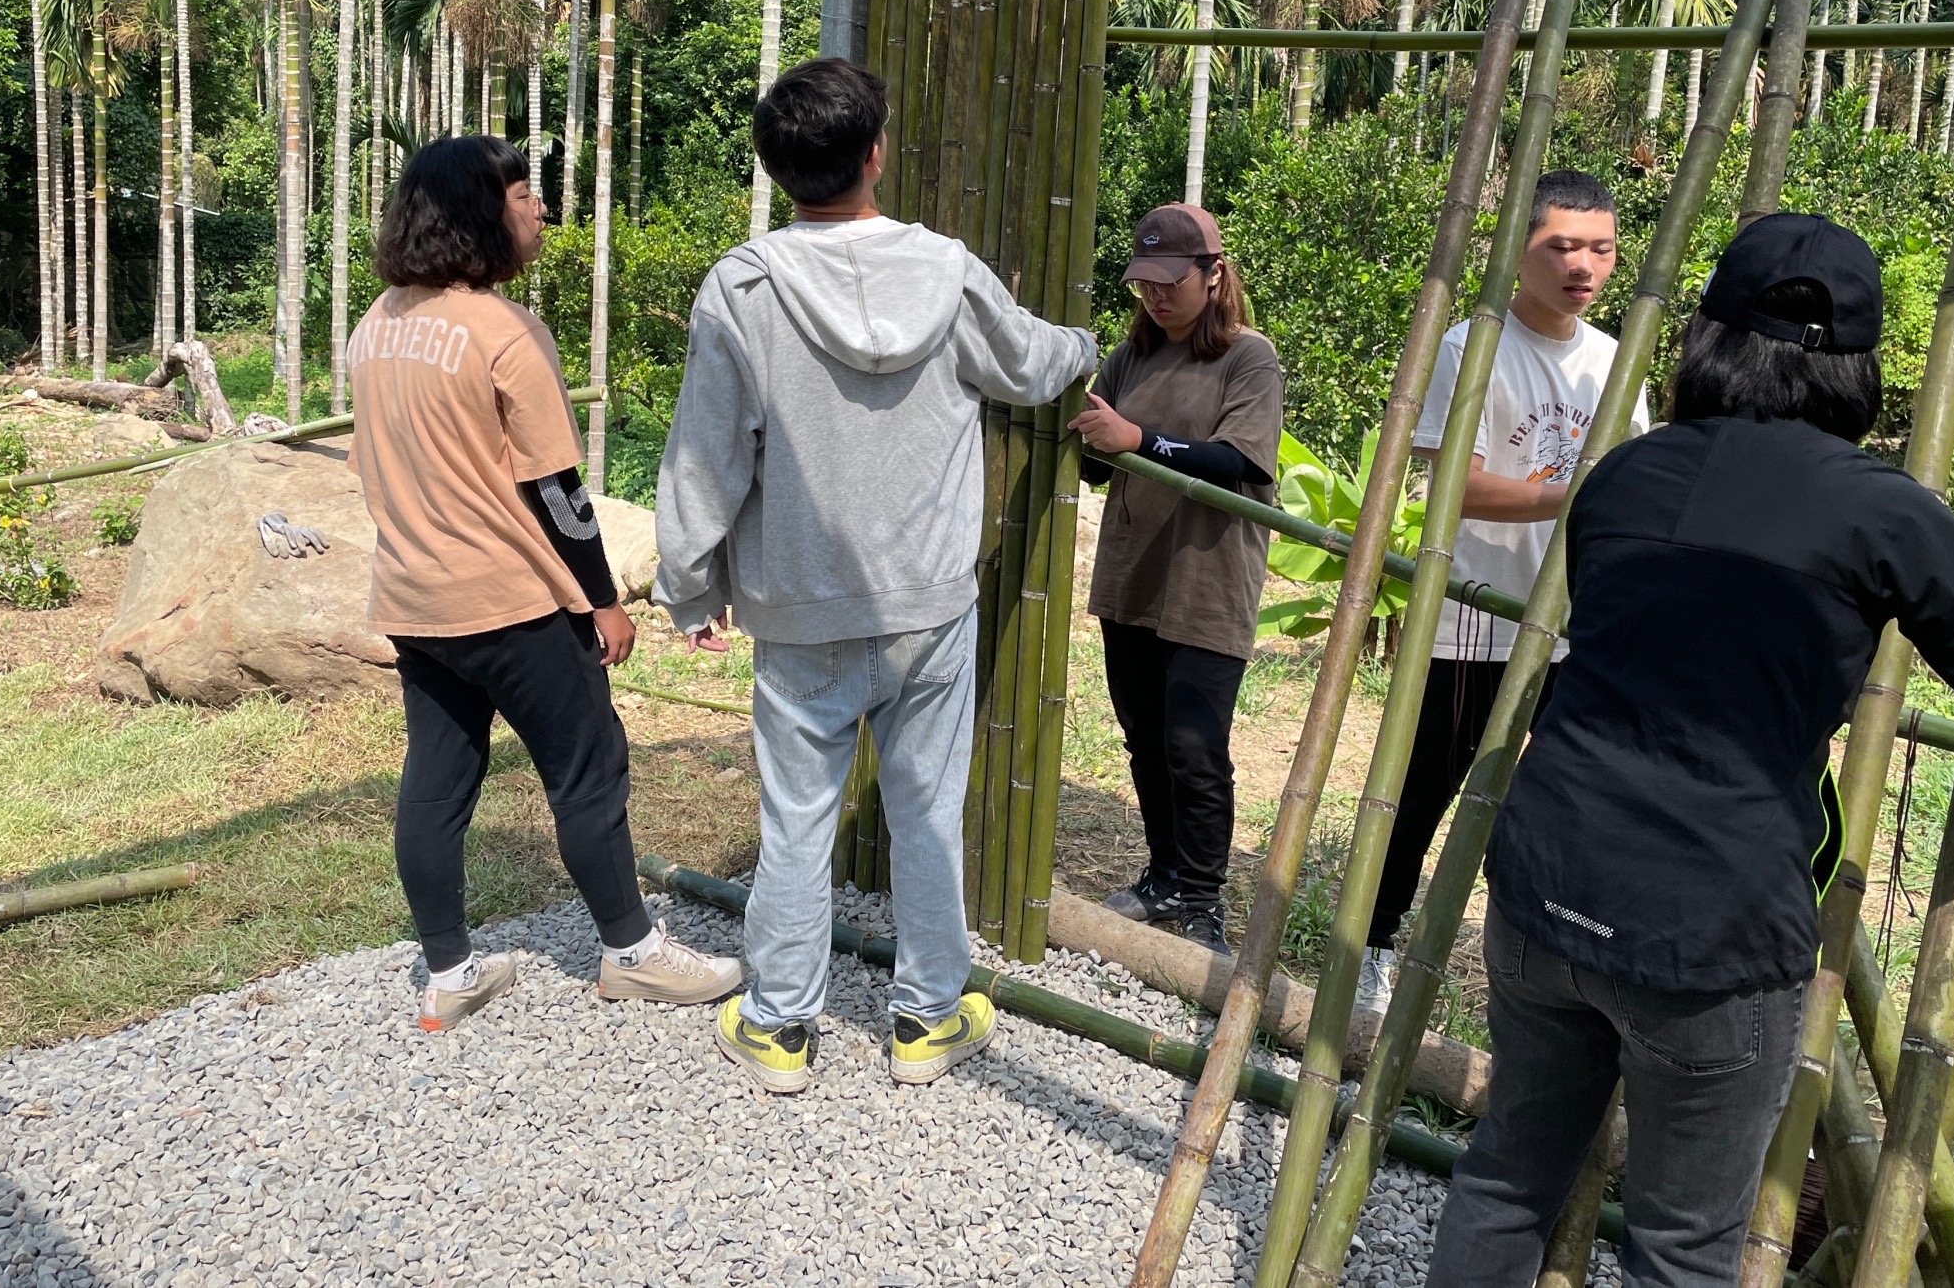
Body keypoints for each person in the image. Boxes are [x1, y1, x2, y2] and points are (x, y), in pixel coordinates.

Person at [1423, 212, 1954, 1288]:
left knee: (1505, 1175)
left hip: (1545, 882)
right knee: (1684, 1246)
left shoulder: (1627, 477)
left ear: (1705, 338)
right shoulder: (1884, 511)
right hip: (1712, 929)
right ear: (1863, 366)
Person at [654, 58, 1098, 1095]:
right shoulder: (944, 271)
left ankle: (777, 1029)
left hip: (798, 605)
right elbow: (1034, 365)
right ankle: (927, 1021)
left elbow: (704, 453)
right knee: (928, 810)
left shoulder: (745, 286)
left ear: (778, 171)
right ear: (875, 155)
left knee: (797, 816)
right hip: (930, 602)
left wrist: (687, 583)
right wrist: (1088, 345)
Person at [350, 136, 741, 1033]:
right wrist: (604, 598)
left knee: (437, 778)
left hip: (414, 600)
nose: (539, 210)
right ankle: (633, 952)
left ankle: (447, 969)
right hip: (513, 601)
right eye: (524, 194)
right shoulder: (504, 332)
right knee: (588, 765)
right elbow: (560, 493)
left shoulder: (377, 325)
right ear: (479, 212)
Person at [1359, 170, 1644, 1013]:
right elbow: (1455, 482)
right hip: (1477, 616)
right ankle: (1373, 946)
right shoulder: (1470, 347)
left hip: (1574, 623)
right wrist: (1578, 493)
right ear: (1519, 251)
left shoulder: (1615, 358)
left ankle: (1533, 973)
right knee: (1424, 791)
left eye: (1599, 247)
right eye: (1561, 245)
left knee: (1563, 803)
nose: (1582, 265)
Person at [1071, 203, 1283, 955]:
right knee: (1144, 738)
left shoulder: (1247, 357)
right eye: (1145, 284)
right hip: (1133, 572)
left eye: (1171, 281)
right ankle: (1162, 876)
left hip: (1207, 581)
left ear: (1213, 273)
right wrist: (1090, 435)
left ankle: (1200, 896)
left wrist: (1137, 438)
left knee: (1196, 746)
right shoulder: (1131, 356)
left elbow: (1238, 459)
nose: (1156, 297)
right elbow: (1100, 460)